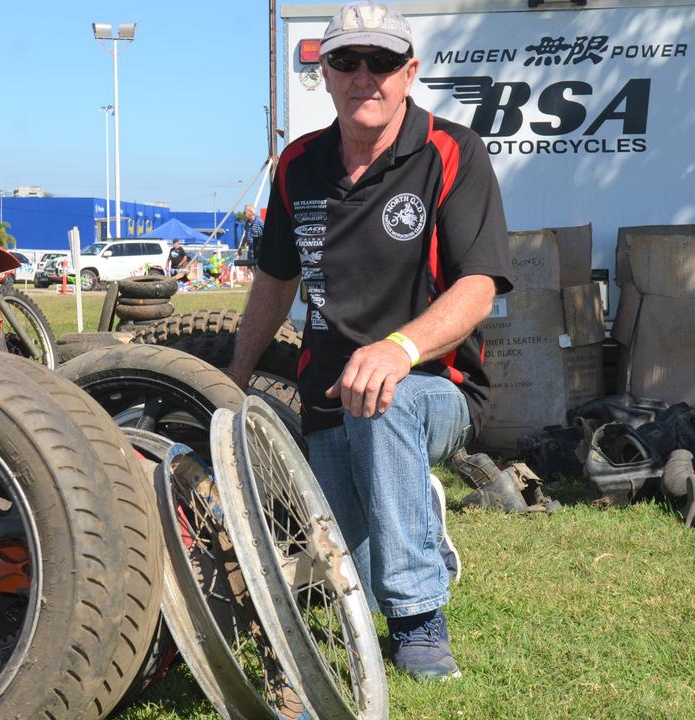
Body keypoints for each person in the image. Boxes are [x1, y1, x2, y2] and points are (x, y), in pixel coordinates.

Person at [228, 0, 513, 681]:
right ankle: (419, 526)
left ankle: (418, 620)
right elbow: (274, 280)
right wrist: (229, 379)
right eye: (347, 61)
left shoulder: (452, 151)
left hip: (433, 390)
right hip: (326, 400)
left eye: (383, 61)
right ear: (324, 74)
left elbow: (479, 288)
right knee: (343, 581)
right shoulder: (298, 164)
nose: (366, 77)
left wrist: (400, 349)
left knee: (383, 402)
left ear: (409, 72)